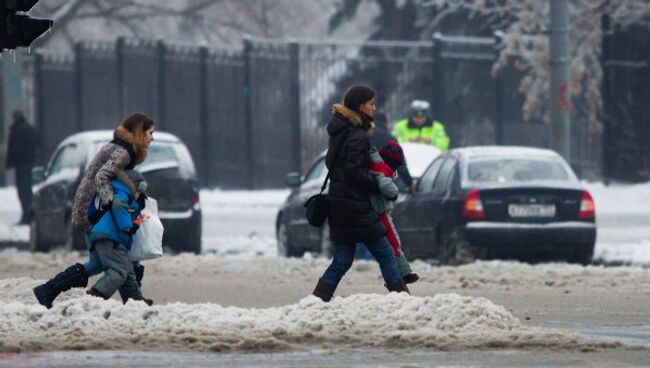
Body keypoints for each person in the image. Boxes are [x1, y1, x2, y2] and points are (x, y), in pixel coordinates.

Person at [32, 112, 154, 308]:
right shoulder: (123, 152)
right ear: (139, 132)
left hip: (88, 207)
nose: (152, 137)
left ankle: (48, 290)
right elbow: (102, 176)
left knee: (99, 262)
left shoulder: (121, 147)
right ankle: (104, 301)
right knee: (117, 258)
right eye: (149, 132)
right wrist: (111, 203)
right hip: (93, 211)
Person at [311, 84, 409, 302]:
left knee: (343, 259)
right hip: (356, 206)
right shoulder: (358, 136)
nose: (374, 108)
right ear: (359, 106)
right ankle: (403, 300)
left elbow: (336, 166)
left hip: (341, 203)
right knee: (385, 252)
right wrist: (376, 182)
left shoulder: (340, 131)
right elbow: (354, 172)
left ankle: (318, 299)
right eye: (370, 104)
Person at [33, 169, 152, 308]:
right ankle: (95, 297)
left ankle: (48, 290)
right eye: (139, 191)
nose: (139, 195)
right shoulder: (122, 190)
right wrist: (128, 226)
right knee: (120, 269)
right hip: (106, 235)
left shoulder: (114, 186)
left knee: (106, 266)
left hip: (98, 230)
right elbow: (119, 206)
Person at [369, 141, 419, 284]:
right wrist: (394, 190)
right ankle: (401, 274)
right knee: (393, 242)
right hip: (380, 211)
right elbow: (390, 190)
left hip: (375, 211)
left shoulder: (377, 167)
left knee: (388, 247)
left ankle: (398, 276)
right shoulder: (381, 171)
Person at [5, 110, 38, 225]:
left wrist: (9, 162)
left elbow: (13, 148)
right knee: (26, 190)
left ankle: (26, 215)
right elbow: (36, 141)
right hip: (27, 164)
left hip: (20, 165)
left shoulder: (16, 130)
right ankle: (28, 214)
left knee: (23, 191)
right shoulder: (29, 128)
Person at [370, 110, 415, 192]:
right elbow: (400, 164)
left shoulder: (362, 134)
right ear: (386, 122)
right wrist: (410, 183)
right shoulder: (390, 139)